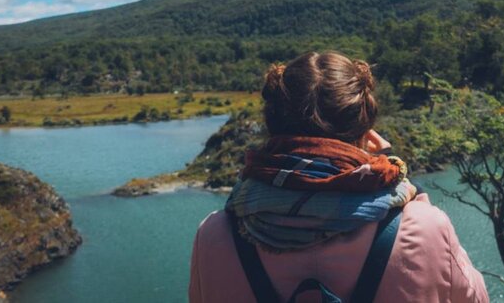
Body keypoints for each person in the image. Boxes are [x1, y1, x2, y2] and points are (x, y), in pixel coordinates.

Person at [189, 51, 488, 303]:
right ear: (365, 129)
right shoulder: (424, 228)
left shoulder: (215, 235)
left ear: (273, 127)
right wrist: (411, 191)